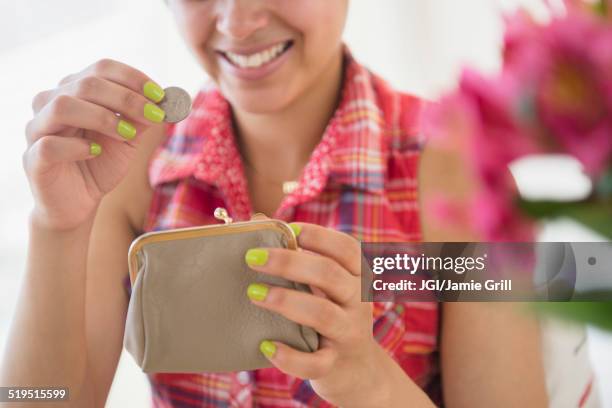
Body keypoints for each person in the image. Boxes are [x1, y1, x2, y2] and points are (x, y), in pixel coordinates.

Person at [1, 1, 549, 406]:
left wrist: (366, 380)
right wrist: (57, 227)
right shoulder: (127, 165)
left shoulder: (466, 172)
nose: (237, 22)